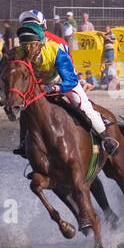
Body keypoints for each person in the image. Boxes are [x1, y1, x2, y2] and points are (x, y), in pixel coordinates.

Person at [15, 22, 117, 155]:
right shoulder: (20, 53)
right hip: (42, 85)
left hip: (63, 81)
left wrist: (55, 88)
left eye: (31, 45)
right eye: (24, 46)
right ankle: (24, 143)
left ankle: (106, 138)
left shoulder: (56, 52)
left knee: (81, 104)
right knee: (26, 109)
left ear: (41, 44)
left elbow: (72, 80)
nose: (28, 50)